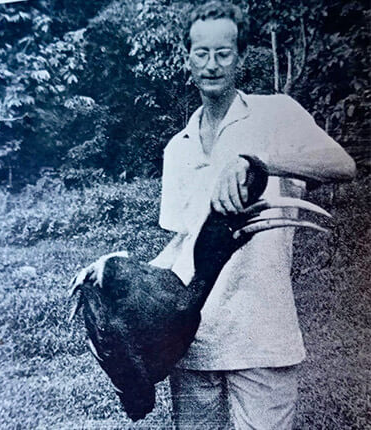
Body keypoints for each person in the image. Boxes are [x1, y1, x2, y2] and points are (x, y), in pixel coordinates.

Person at [149, 2, 356, 429]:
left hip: (262, 337)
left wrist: (258, 161)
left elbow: (341, 164)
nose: (211, 65)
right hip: (193, 342)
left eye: (223, 53)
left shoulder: (275, 113)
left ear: (240, 56)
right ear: (188, 57)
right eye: (201, 53)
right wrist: (125, 284)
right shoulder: (178, 147)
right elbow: (180, 242)